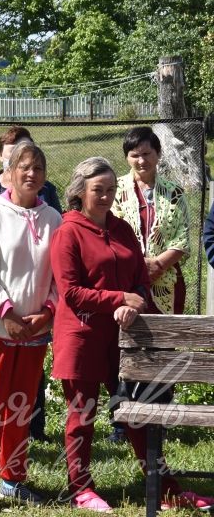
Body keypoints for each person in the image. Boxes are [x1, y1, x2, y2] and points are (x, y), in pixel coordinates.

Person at [50, 157, 212, 512]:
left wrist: (133, 304)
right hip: (82, 336)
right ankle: (81, 488)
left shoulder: (121, 229)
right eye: (98, 191)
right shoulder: (67, 232)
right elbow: (71, 292)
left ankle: (166, 489)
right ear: (80, 192)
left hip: (124, 337)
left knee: (137, 413)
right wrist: (117, 299)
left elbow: (139, 277)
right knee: (82, 414)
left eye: (110, 190)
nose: (106, 197)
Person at [0, 141, 61, 516]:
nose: (31, 174)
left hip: (34, 332)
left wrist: (47, 311)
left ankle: (12, 479)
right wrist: (5, 312)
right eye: (25, 167)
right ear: (10, 171)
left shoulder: (53, 218)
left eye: (38, 168)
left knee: (22, 408)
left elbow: (59, 273)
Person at [108, 126, 191, 444]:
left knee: (163, 348)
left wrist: (159, 264)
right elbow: (111, 234)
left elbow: (182, 238)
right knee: (127, 350)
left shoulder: (175, 192)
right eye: (134, 154)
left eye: (146, 153)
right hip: (128, 283)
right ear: (127, 157)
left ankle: (161, 416)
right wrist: (139, 266)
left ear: (157, 154)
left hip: (167, 283)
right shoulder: (115, 190)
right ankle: (123, 423)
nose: (141, 160)